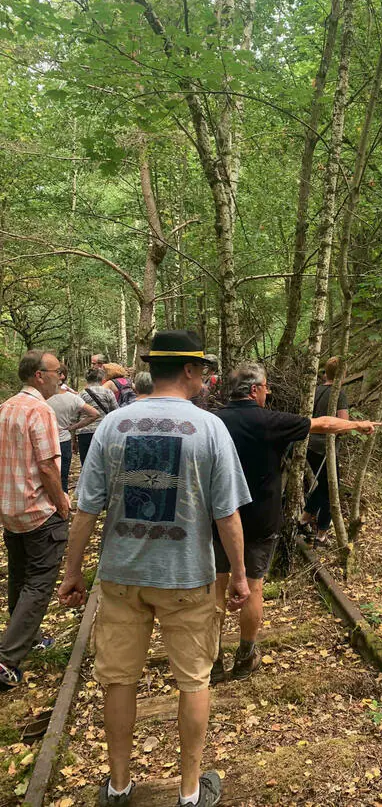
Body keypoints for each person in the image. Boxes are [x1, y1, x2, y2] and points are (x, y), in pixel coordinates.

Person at [58, 330, 252, 807]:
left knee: (118, 679)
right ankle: (189, 792)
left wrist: (72, 572)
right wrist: (241, 575)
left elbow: (86, 509)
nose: (207, 378)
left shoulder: (112, 425)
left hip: (122, 577)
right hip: (186, 577)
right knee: (193, 681)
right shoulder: (209, 428)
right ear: (188, 371)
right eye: (203, 370)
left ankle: (119, 785)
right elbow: (226, 514)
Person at [212, 361, 381, 683]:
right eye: (265, 388)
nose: (268, 392)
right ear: (254, 390)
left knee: (218, 588)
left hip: (219, 517)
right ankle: (245, 657)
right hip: (260, 519)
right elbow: (325, 425)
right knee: (252, 587)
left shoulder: (212, 422)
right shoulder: (270, 421)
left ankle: (214, 661)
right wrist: (358, 425)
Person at [0, 350, 72, 690]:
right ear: (38, 375)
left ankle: (26, 639)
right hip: (38, 511)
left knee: (20, 577)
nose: (61, 376)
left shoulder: (6, 407)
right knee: (40, 583)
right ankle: (7, 658)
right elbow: (46, 465)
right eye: (57, 371)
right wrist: (61, 504)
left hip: (10, 510)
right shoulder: (40, 410)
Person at [298, 356, 349, 546]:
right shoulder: (339, 394)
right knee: (330, 489)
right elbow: (343, 424)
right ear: (342, 374)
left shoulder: (316, 390)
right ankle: (321, 533)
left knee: (323, 486)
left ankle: (303, 519)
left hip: (309, 444)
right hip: (326, 448)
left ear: (325, 372)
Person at [47, 383, 99, 492]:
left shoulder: (41, 397)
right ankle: (63, 505)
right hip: (63, 440)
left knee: (44, 475)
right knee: (63, 476)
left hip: (45, 440)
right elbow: (95, 414)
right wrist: (72, 428)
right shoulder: (72, 398)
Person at [77, 368, 118, 464]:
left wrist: (74, 436)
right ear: (102, 378)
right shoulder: (108, 392)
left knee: (86, 462)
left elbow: (76, 415)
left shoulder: (81, 394)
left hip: (84, 432)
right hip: (104, 431)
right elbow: (115, 411)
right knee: (103, 462)